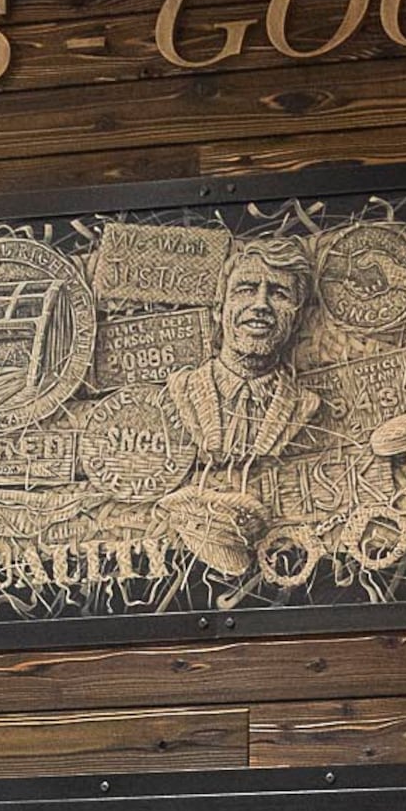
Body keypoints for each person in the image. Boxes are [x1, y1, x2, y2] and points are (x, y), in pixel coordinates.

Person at [163, 237, 323, 578]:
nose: (261, 304)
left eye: (279, 293)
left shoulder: (304, 405)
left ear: (297, 319)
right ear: (219, 309)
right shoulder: (182, 389)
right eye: (246, 289)